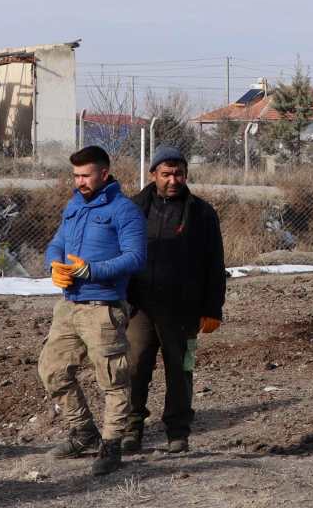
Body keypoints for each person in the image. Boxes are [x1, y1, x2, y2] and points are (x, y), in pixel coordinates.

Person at [40, 145, 146, 477]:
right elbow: (57, 242)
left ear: (104, 172)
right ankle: (84, 432)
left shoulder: (124, 211)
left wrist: (92, 271)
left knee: (112, 379)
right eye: (76, 175)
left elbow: (136, 258)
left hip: (103, 309)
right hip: (69, 306)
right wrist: (53, 263)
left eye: (85, 175)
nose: (80, 181)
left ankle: (112, 445)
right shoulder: (74, 206)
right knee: (52, 370)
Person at [124, 145, 227, 455]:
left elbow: (214, 264)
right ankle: (131, 429)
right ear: (153, 174)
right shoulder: (133, 208)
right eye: (166, 174)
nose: (172, 180)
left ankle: (177, 433)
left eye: (178, 173)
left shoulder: (202, 213)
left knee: (181, 369)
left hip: (184, 311)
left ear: (186, 175)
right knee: (135, 366)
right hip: (139, 307)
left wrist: (212, 309)